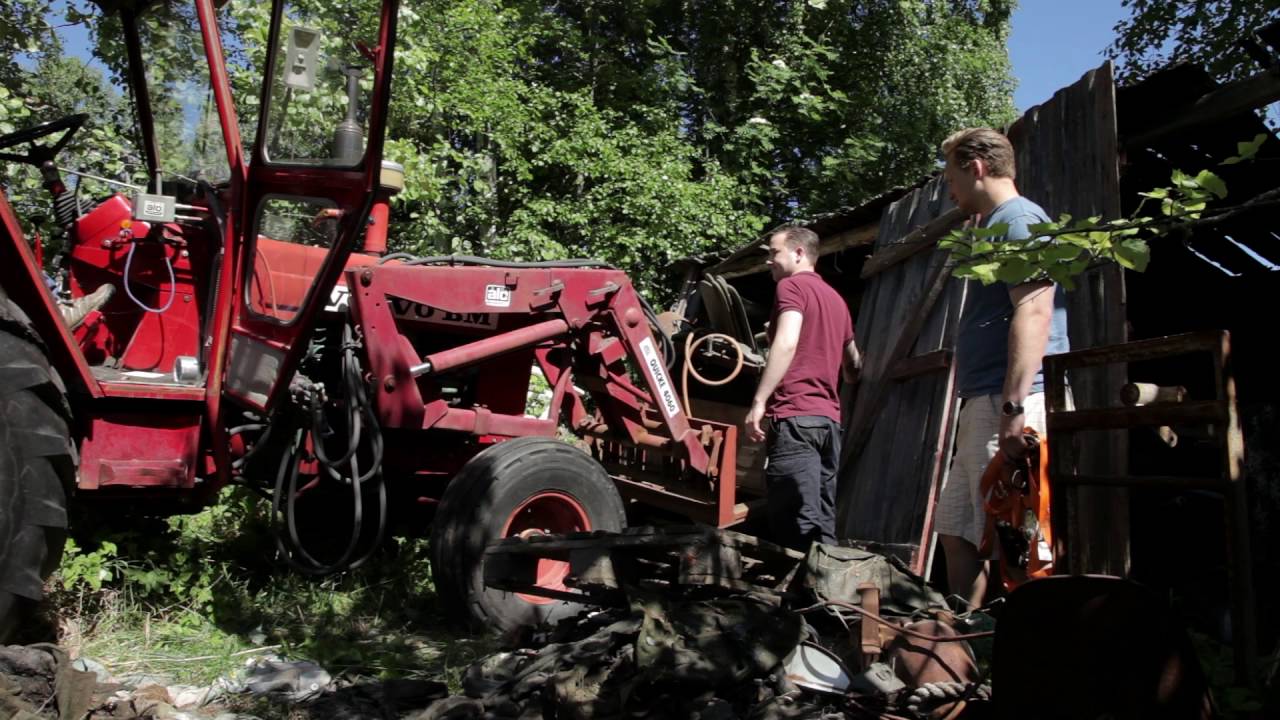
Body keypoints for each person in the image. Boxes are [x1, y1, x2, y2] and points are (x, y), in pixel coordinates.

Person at [934, 127, 1070, 609]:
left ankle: (1030, 653)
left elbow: (1035, 311)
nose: (948, 188)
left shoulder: (1018, 219)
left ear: (976, 167)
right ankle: (969, 638)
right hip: (986, 400)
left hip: (1010, 400)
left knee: (1016, 534)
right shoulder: (995, 224)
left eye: (951, 176)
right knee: (956, 530)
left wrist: (1013, 409)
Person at [745, 225, 861, 552]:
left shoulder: (791, 287)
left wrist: (759, 401)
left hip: (796, 419)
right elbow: (853, 366)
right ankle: (828, 594)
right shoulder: (838, 301)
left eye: (774, 253)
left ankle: (799, 597)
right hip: (828, 424)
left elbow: (787, 342)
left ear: (798, 253)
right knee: (822, 517)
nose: (769, 261)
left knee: (794, 518)